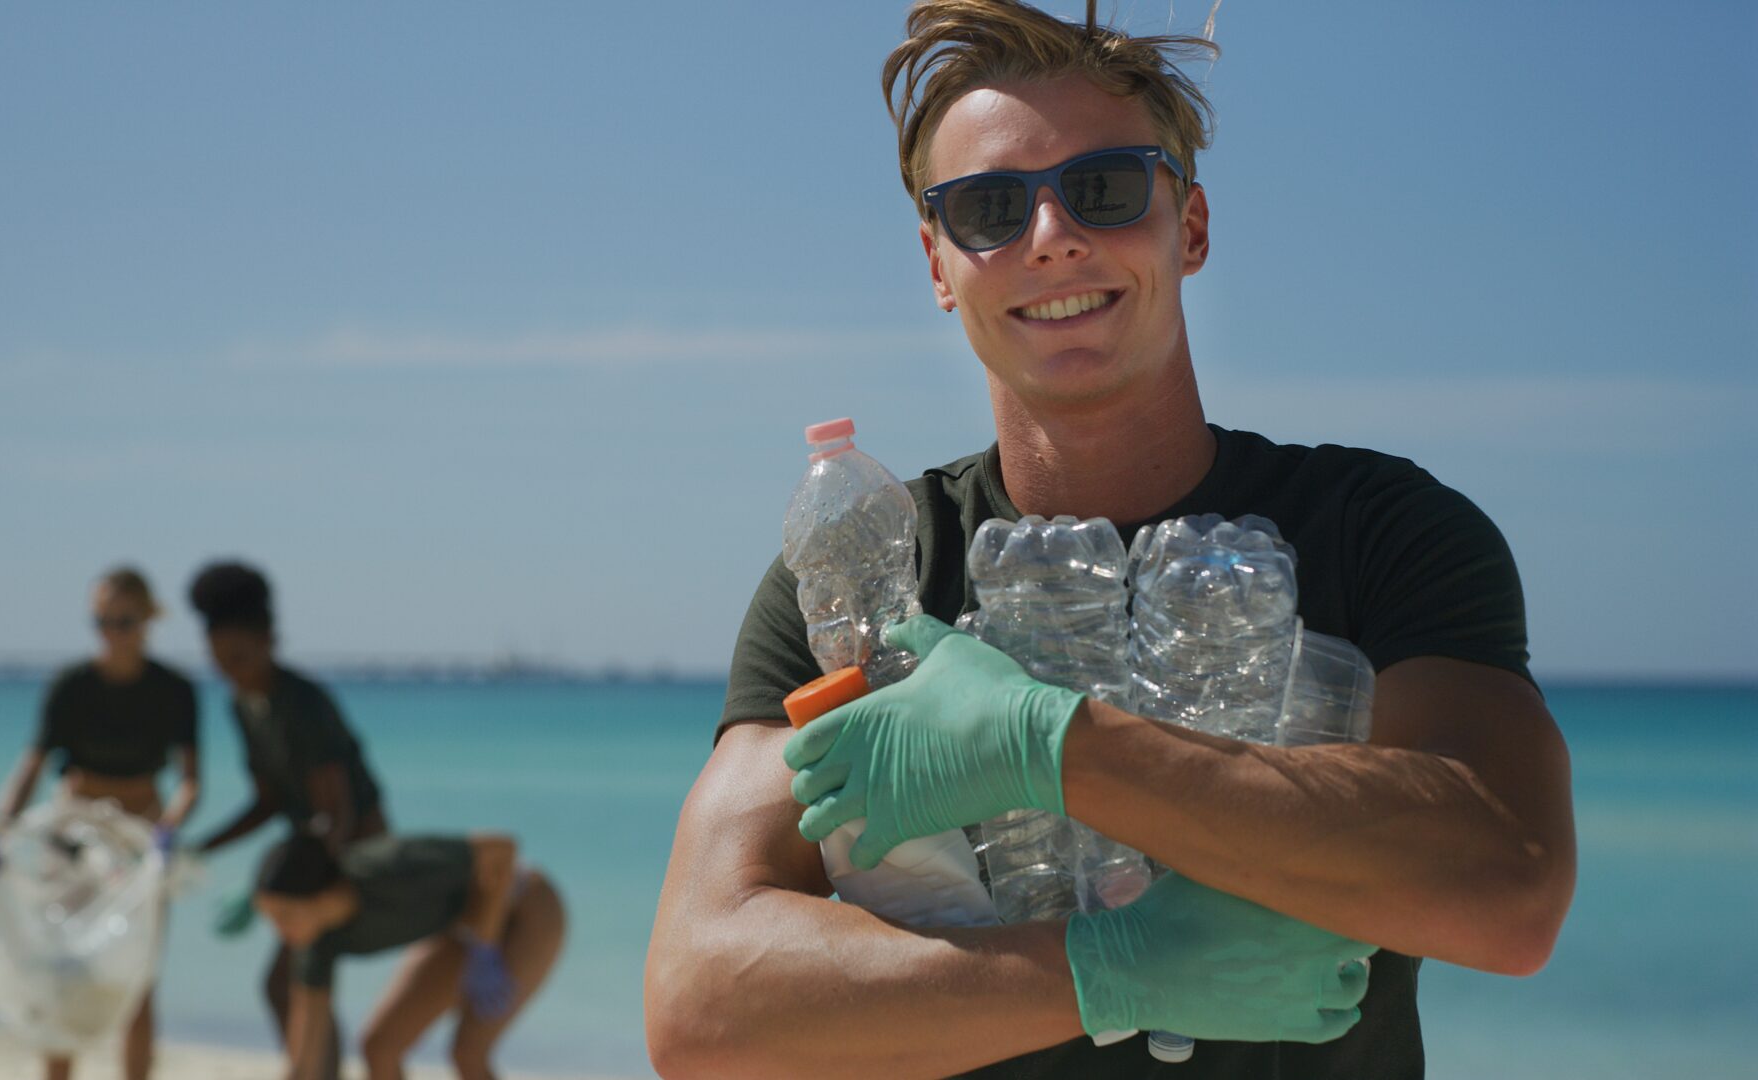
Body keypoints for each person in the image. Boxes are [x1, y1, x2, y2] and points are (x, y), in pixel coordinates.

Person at [644, 3, 1576, 1078]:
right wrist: (1107, 971)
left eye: (1102, 188)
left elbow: (1506, 889)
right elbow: (699, 1005)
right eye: (989, 207)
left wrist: (1049, 747)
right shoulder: (871, 566)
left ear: (1187, 227)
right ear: (938, 266)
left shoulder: (1378, 532)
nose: (1049, 236)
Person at [0, 566, 201, 1080]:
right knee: (62, 968)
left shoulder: (174, 689)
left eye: (123, 621)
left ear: (148, 620)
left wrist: (167, 831)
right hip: (71, 839)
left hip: (139, 844)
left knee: (138, 978)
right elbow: (31, 768)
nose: (111, 633)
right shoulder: (71, 686)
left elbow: (191, 780)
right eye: (100, 621)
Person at [180, 561, 385, 1078]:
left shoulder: (300, 703)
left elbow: (335, 814)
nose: (232, 670)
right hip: (309, 854)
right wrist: (200, 848)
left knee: (295, 981)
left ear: (271, 640)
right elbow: (268, 801)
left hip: (351, 850)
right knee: (291, 984)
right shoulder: (245, 704)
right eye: (221, 660)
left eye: (241, 657)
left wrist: (279, 890)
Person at [252, 830, 565, 1080]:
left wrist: (485, 945)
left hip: (526, 905)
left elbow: (501, 849)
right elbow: (304, 1053)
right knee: (379, 1048)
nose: (280, 931)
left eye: (285, 914)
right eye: (271, 918)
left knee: (468, 1051)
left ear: (322, 894)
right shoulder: (315, 943)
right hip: (459, 928)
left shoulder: (386, 867)